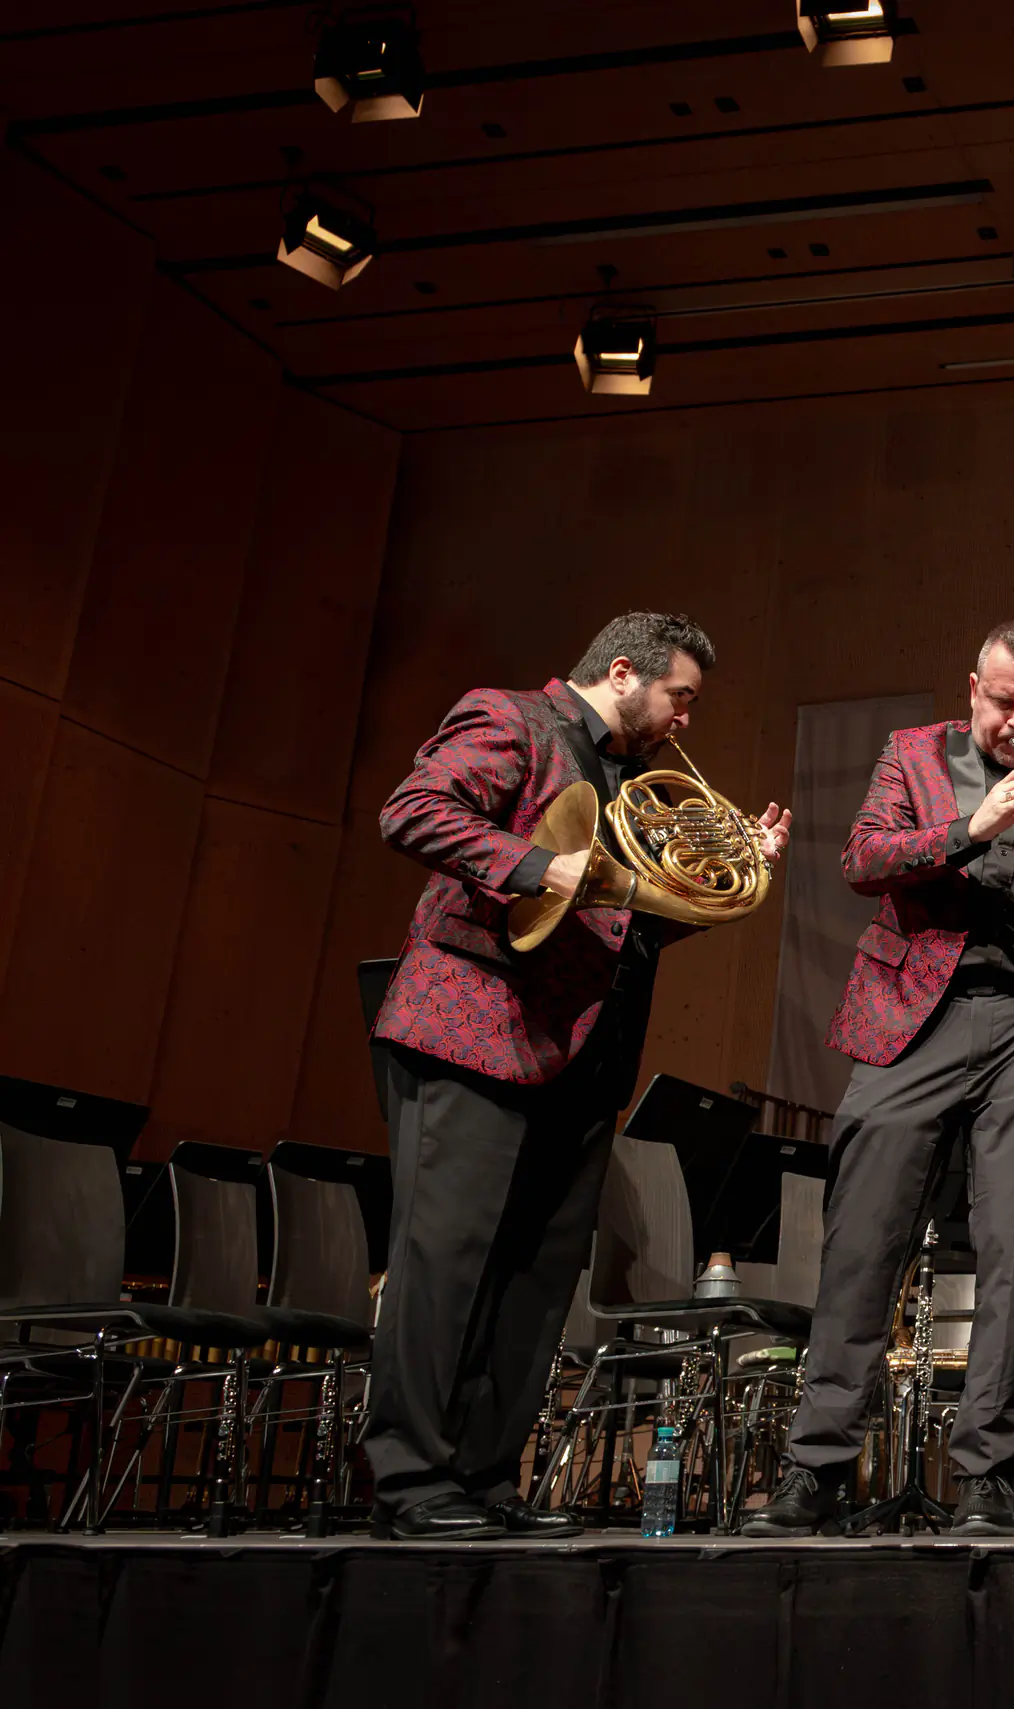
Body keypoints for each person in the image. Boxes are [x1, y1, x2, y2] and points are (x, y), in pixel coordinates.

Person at [366, 612, 792, 1540]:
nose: (686, 719)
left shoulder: (636, 783)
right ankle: (409, 1479)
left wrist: (724, 883)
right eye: (680, 696)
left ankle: (484, 1478)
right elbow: (415, 809)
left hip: (583, 1052)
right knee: (447, 1263)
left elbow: (620, 923)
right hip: (472, 1028)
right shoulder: (511, 718)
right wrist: (540, 865)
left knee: (538, 1276)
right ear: (626, 672)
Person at [745, 617, 1014, 1539]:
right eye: (1001, 700)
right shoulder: (911, 755)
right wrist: (973, 825)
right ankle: (817, 1470)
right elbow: (863, 860)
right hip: (908, 1020)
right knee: (863, 1244)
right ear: (973, 687)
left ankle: (988, 1480)